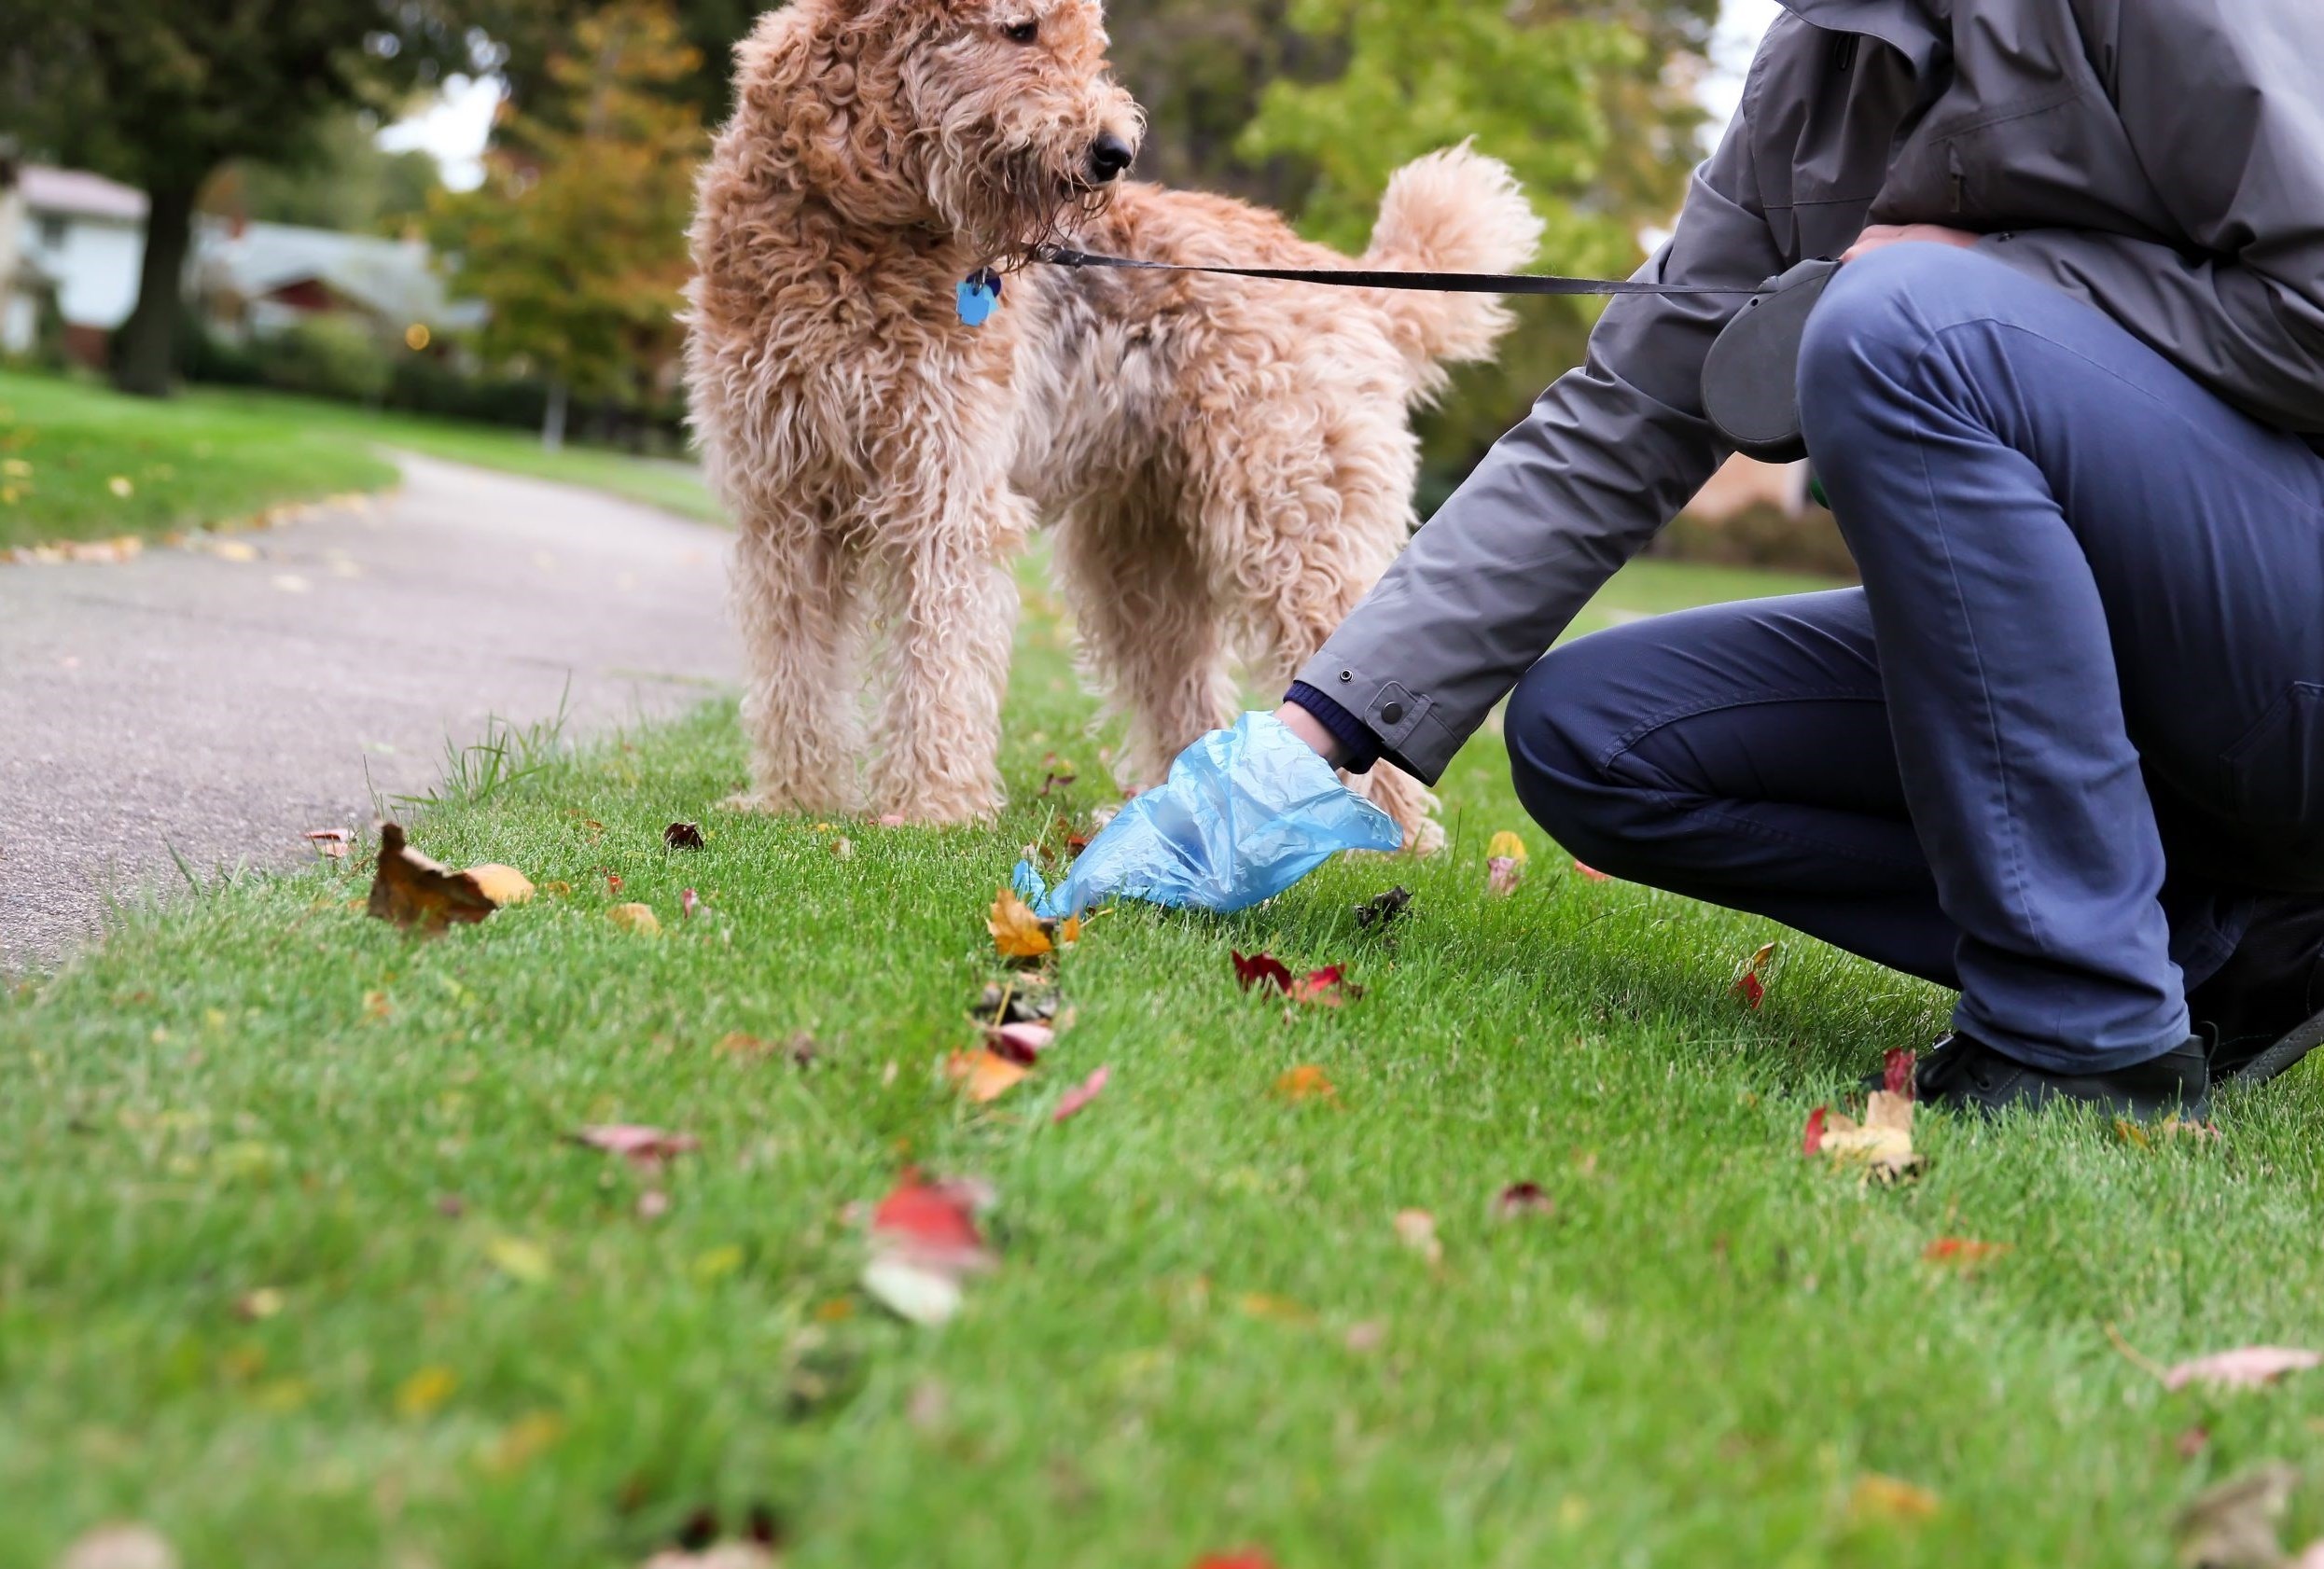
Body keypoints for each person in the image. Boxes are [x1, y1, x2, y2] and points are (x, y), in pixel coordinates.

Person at [1057, 0, 2324, 1119]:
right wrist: (1302, 740)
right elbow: (1630, 412)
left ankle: (2086, 1031)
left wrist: (1994, 277)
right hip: (2142, 682)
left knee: (1896, 325)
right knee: (1593, 733)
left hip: (2283, 637)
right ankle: (2221, 945)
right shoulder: (1817, 71)